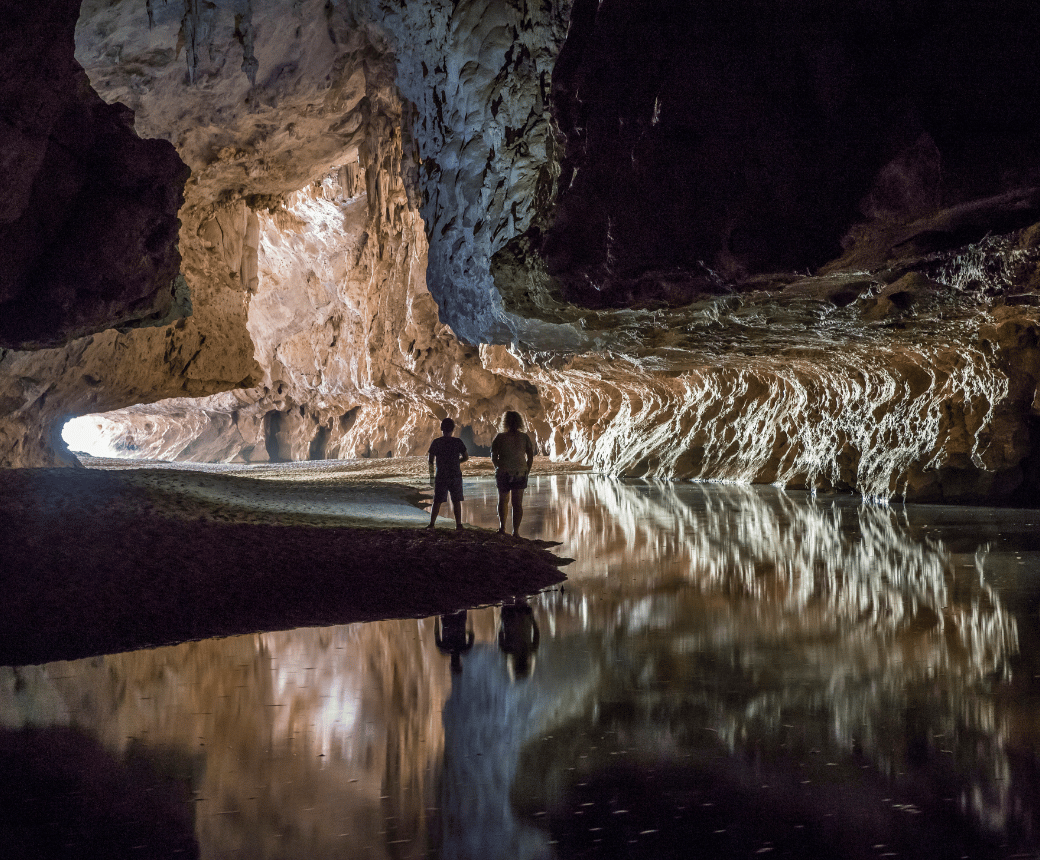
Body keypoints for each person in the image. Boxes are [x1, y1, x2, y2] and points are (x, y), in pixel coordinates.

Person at [490, 410, 535, 537]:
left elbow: (493, 456)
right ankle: (516, 531)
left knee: (503, 500)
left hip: (504, 472)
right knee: (517, 503)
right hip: (520, 472)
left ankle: (502, 528)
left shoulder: (500, 437)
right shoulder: (524, 437)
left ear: (505, 422)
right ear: (520, 422)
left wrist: (498, 467)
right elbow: (530, 456)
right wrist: (527, 470)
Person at [427, 417, 469, 530]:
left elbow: (430, 460)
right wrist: (457, 462)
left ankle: (432, 524)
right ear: (453, 429)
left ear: (441, 428)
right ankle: (458, 525)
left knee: (437, 501)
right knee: (456, 501)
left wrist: (431, 476)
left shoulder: (436, 442)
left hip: (441, 475)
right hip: (455, 475)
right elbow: (466, 457)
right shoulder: (457, 442)